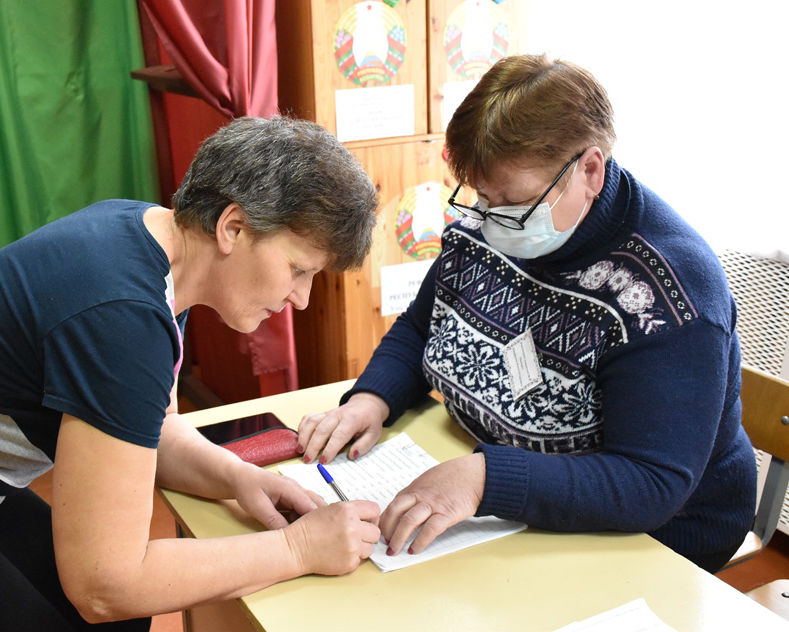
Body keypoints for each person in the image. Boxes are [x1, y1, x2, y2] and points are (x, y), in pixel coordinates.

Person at [0, 115, 381, 630]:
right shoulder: (122, 315)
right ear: (233, 227)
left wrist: (235, 477)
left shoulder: (150, 242)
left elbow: (145, 429)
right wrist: (298, 548)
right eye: (298, 269)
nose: (301, 298)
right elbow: (105, 586)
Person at [297, 54, 756, 574]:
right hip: (507, 484)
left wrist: (485, 479)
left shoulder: (667, 297)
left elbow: (649, 482)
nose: (490, 221)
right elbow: (423, 326)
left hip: (655, 535)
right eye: (481, 197)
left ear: (589, 171)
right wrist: (372, 399)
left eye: (512, 204)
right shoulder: (497, 218)